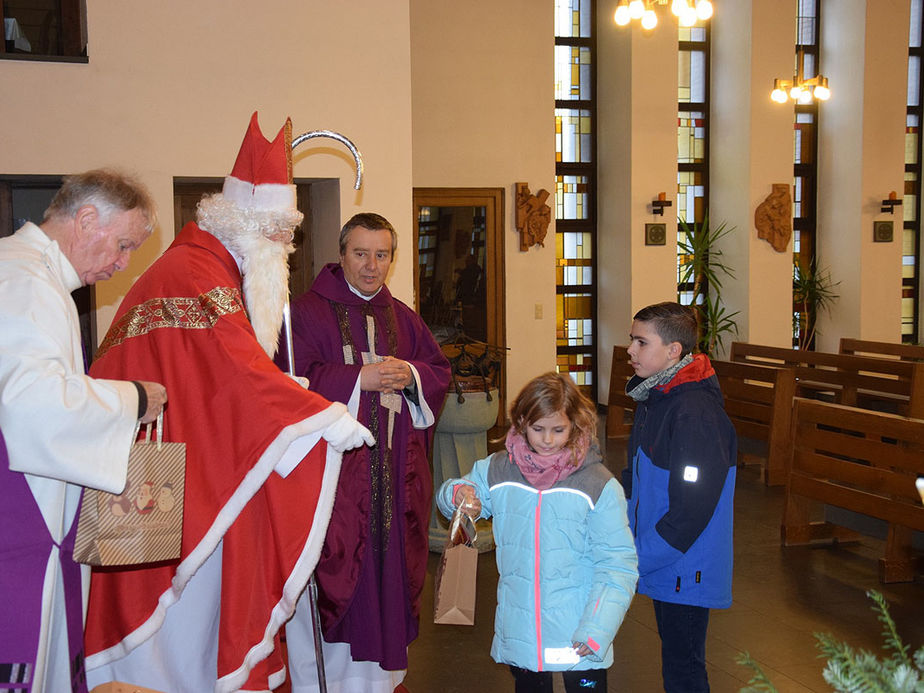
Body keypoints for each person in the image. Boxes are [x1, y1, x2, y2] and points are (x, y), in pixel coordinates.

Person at [82, 112, 373, 693]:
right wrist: (324, 416)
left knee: (190, 618)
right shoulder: (200, 273)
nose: (282, 254)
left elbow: (223, 376)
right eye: (277, 239)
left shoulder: (209, 265)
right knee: (174, 625)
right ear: (244, 227)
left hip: (169, 465)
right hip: (161, 481)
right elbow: (238, 370)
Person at [0, 169, 167, 693]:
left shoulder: (32, 274)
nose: (122, 264)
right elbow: (33, 404)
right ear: (87, 217)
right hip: (20, 516)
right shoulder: (25, 280)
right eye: (122, 245)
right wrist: (134, 398)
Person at [278, 212, 451, 692]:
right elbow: (287, 384)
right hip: (334, 485)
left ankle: (380, 681)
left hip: (394, 482)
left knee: (389, 575)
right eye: (361, 253)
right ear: (341, 254)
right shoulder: (304, 314)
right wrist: (359, 379)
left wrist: (412, 376)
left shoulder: (405, 318)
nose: (372, 266)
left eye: (382, 255)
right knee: (337, 574)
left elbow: (437, 371)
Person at [436, 372, 638, 693]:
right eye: (537, 429)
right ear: (520, 422)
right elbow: (454, 495)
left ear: (575, 424)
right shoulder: (499, 469)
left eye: (558, 430)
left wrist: (597, 630)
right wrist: (457, 493)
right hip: (523, 632)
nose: (547, 440)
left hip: (581, 634)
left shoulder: (598, 484)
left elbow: (618, 567)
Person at [622, 301, 737, 693]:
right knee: (677, 660)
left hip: (685, 565)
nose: (630, 350)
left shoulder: (694, 411)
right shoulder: (660, 396)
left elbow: (692, 507)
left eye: (641, 342)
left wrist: (639, 557)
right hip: (665, 559)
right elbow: (636, 477)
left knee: (684, 668)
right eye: (631, 340)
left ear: (674, 351)